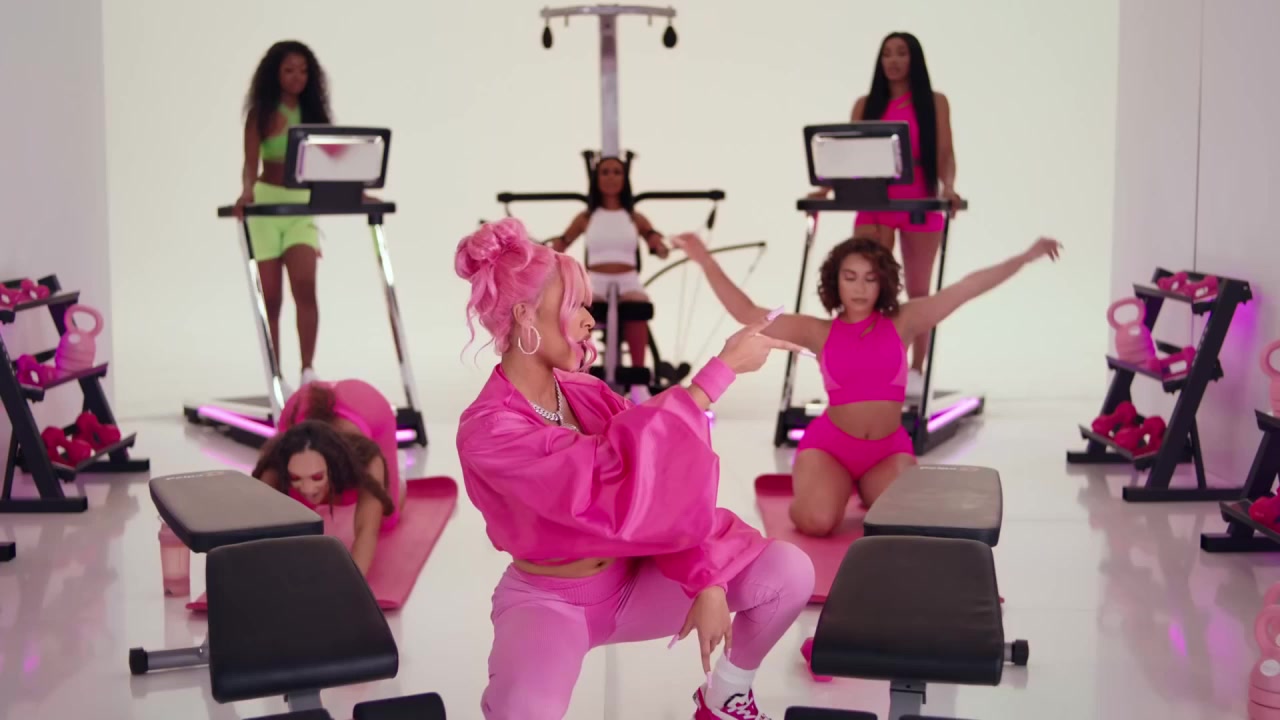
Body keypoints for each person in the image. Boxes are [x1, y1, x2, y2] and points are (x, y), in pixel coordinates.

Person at [455, 218, 815, 720]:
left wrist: (708, 578)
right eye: (576, 305)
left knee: (788, 572)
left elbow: (664, 481)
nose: (590, 321)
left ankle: (726, 696)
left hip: (632, 580)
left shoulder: (584, 392)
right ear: (525, 315)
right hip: (551, 602)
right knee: (525, 711)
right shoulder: (488, 431)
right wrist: (715, 377)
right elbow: (607, 481)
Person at [674, 232, 1061, 537]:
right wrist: (704, 258)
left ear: (883, 283)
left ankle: (860, 487)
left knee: (904, 523)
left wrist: (1026, 256)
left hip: (887, 451)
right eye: (850, 277)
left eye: (870, 278)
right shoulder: (818, 330)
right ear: (836, 282)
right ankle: (827, 486)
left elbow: (966, 287)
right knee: (817, 522)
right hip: (831, 449)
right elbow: (747, 312)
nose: (859, 288)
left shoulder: (904, 321)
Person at [810, 31, 961, 398]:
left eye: (901, 53)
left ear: (914, 60)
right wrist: (825, 190)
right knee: (866, 285)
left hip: (919, 202)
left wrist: (949, 187)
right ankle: (869, 366)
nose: (893, 61)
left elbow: (944, 152)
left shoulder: (934, 102)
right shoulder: (866, 105)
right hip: (875, 202)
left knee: (919, 292)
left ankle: (916, 371)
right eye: (887, 54)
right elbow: (846, 156)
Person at [232, 40, 333, 394]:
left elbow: (329, 163)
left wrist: (357, 192)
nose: (296, 78)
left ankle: (308, 369)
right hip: (266, 207)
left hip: (301, 209)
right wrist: (246, 192)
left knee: (305, 286)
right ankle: (275, 375)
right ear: (274, 73)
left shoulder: (313, 114)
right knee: (271, 297)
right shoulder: (260, 113)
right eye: (289, 70)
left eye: (303, 71)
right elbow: (250, 164)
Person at [251, 380, 407, 575]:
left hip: (367, 405)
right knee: (297, 520)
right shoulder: (276, 463)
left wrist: (349, 586)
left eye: (317, 477)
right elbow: (257, 532)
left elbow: (366, 531)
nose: (307, 488)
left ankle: (398, 478)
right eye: (295, 477)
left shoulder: (366, 459)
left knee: (387, 517)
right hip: (301, 404)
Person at [549, 157, 670, 403]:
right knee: (582, 313)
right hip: (596, 280)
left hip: (628, 279)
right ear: (597, 178)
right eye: (605, 172)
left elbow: (655, 242)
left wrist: (660, 246)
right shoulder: (586, 218)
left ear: (625, 178)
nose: (611, 177)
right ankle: (580, 375)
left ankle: (638, 384)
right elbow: (562, 244)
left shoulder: (635, 217)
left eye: (616, 172)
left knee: (638, 308)